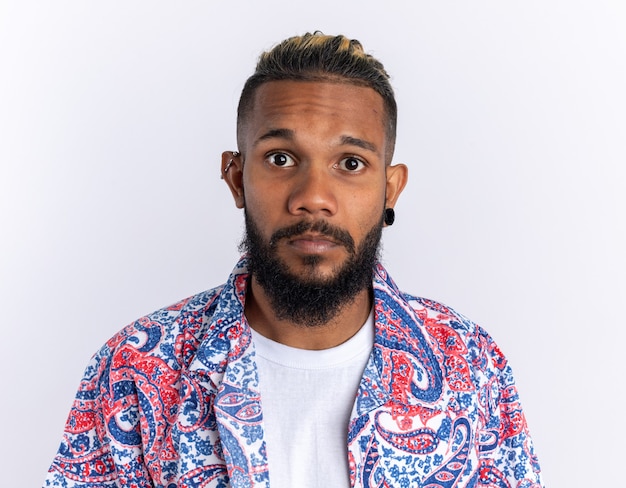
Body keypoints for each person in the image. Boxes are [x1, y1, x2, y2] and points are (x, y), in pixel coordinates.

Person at [44, 32, 544, 488]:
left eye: (351, 164)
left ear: (389, 188)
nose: (313, 197)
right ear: (237, 178)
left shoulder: (470, 367)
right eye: (281, 158)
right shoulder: (137, 369)